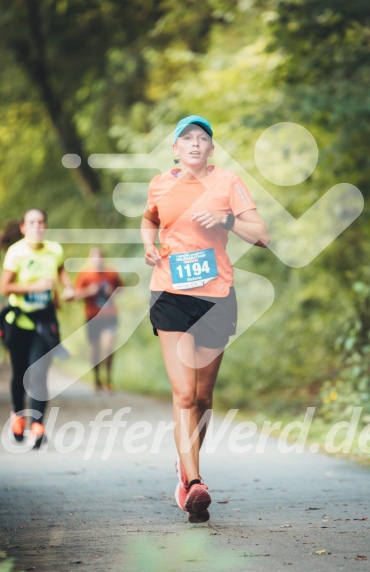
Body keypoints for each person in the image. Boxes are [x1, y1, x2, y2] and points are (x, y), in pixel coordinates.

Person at [141, 115, 270, 522]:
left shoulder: (228, 182)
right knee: (183, 394)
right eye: (186, 138)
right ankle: (194, 482)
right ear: (175, 149)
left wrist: (227, 220)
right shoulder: (160, 183)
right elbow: (150, 218)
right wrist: (149, 245)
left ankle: (186, 467)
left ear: (211, 149)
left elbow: (262, 235)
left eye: (203, 138)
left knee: (203, 397)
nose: (195, 144)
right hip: (171, 295)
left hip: (215, 298)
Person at [0, 209, 74, 447]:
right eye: (32, 222)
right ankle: (18, 415)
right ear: (23, 228)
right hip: (19, 322)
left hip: (45, 321)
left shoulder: (54, 250)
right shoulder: (16, 252)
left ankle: (37, 427)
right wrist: (35, 286)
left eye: (41, 221)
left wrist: (68, 287)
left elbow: (60, 269)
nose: (37, 226)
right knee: (21, 372)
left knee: (39, 372)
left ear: (45, 225)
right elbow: (5, 288)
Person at [73, 247, 123, 392]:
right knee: (94, 349)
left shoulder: (111, 273)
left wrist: (112, 291)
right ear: (90, 259)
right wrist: (89, 291)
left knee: (108, 347)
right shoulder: (84, 275)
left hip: (110, 315)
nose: (97, 261)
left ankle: (108, 379)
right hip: (92, 316)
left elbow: (120, 288)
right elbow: (75, 295)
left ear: (103, 259)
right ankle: (96, 379)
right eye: (94, 258)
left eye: (99, 257)